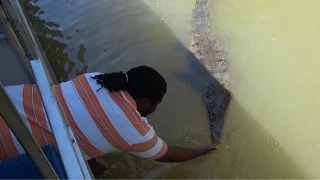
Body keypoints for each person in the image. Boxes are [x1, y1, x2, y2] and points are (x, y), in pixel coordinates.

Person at [0, 66, 216, 176]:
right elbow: (167, 154)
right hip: (7, 146)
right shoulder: (132, 128)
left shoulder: (95, 78)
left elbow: (77, 117)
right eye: (156, 104)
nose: (155, 109)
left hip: (7, 102)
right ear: (145, 101)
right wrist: (204, 149)